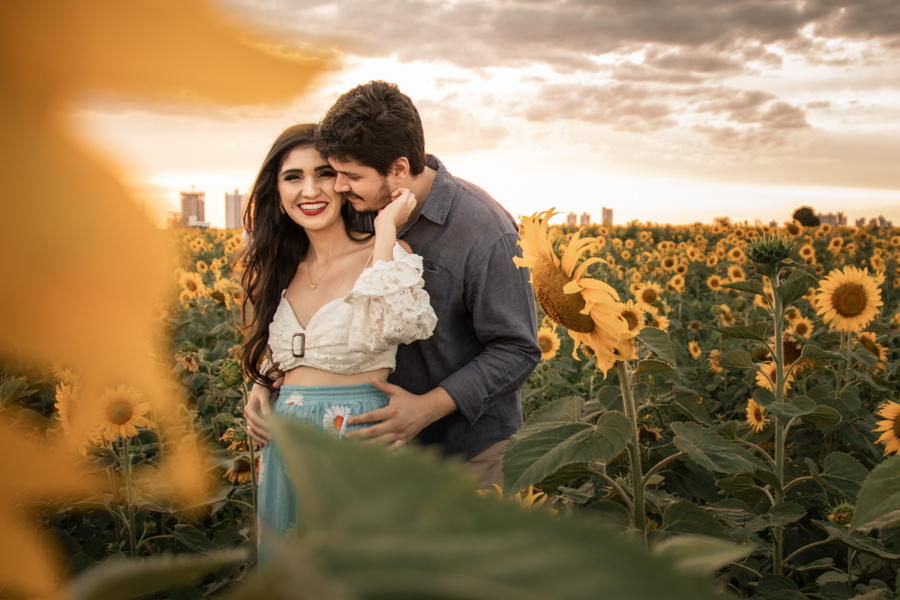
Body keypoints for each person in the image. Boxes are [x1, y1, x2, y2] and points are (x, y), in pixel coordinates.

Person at [247, 80, 541, 487]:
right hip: (370, 447)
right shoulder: (361, 206)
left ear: (399, 169)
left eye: (349, 176)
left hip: (462, 449)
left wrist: (426, 408)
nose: (338, 186)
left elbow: (517, 349)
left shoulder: (485, 231)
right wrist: (268, 380)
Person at [238, 123, 437, 561]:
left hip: (358, 439)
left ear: (344, 184)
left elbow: (394, 325)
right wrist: (262, 385)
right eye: (293, 177)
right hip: (285, 447)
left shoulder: (385, 255)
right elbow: (292, 347)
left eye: (324, 174)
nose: (310, 190)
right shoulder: (281, 267)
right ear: (277, 190)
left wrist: (386, 228)